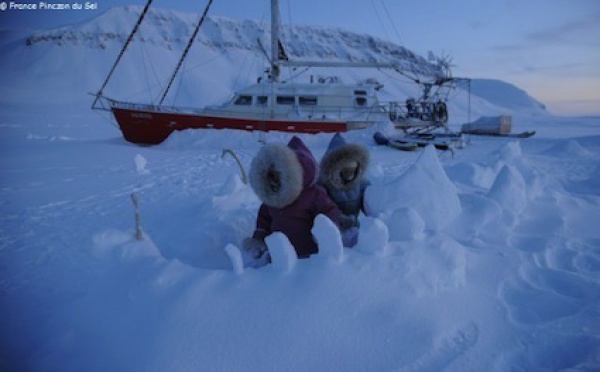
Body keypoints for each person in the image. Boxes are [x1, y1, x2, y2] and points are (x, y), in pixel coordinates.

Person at [243, 136, 341, 263]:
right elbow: (264, 221)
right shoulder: (272, 198)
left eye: (278, 175)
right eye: (271, 175)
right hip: (280, 256)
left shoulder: (313, 194)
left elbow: (329, 211)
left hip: (309, 256)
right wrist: (259, 239)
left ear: (293, 173)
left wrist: (325, 234)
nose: (274, 180)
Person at [319, 133, 370, 247]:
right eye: (345, 170)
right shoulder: (322, 183)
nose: (349, 174)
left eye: (353, 170)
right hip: (332, 234)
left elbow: (372, 202)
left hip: (354, 229)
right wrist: (340, 219)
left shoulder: (361, 183)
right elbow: (321, 208)